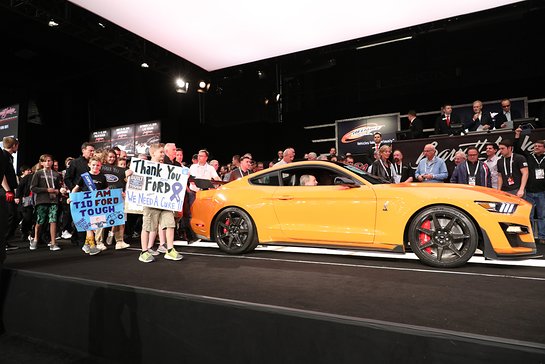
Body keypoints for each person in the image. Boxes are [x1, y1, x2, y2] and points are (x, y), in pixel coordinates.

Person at [138, 143, 183, 263]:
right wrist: (128, 174)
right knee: (147, 226)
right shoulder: (145, 167)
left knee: (170, 224)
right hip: (151, 202)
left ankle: (170, 250)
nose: (163, 154)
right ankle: (144, 251)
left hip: (165, 202)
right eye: (161, 152)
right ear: (153, 153)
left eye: (163, 152)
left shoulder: (166, 168)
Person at [70, 156, 107, 255]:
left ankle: (86, 245)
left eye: (98, 165)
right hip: (86, 205)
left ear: (100, 166)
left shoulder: (102, 177)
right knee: (89, 226)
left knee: (95, 225)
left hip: (97, 205)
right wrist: (71, 197)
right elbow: (76, 188)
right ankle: (92, 247)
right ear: (89, 165)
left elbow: (106, 190)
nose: (95, 167)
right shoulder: (84, 176)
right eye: (93, 165)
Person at [514, 128, 545, 244]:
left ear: (544, 148)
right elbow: (517, 149)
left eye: (539, 146)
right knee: (529, 216)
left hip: (542, 191)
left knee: (542, 215)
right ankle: (530, 236)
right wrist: (517, 135)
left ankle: (542, 236)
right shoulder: (529, 157)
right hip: (529, 191)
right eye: (535, 146)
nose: (536, 147)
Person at [64, 142, 95, 246]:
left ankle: (77, 238)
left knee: (88, 218)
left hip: (91, 195)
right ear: (83, 150)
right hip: (79, 194)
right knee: (81, 218)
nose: (92, 152)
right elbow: (67, 178)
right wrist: (74, 191)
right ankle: (81, 241)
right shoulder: (75, 162)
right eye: (90, 150)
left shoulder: (94, 163)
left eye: (93, 150)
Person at [29, 154, 62, 251]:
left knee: (53, 220)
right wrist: (47, 190)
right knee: (40, 221)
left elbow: (58, 188)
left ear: (52, 162)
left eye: (49, 161)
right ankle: (35, 239)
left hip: (53, 201)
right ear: (42, 163)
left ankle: (53, 243)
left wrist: (58, 191)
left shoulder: (56, 174)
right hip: (42, 201)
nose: (48, 163)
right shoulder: (38, 173)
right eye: (45, 161)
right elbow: (33, 188)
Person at [2, 137, 20, 250]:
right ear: (14, 145)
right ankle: (3, 241)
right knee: (11, 215)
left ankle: (5, 241)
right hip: (4, 191)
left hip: (8, 191)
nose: (17, 147)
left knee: (14, 216)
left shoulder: (9, 157)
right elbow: (1, 174)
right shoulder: (3, 156)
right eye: (17, 145)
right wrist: (8, 190)